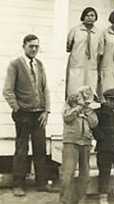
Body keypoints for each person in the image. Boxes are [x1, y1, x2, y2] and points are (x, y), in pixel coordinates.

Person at [2, 34, 50, 196]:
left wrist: (46, 111)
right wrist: (17, 109)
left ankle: (41, 183)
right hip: (23, 115)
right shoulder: (15, 65)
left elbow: (45, 89)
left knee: (40, 149)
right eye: (31, 46)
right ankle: (18, 184)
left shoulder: (40, 64)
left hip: (39, 115)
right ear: (24, 46)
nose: (34, 49)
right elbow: (7, 91)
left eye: (37, 46)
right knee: (21, 149)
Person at [60, 86, 98, 204]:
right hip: (71, 142)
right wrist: (78, 107)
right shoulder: (69, 106)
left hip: (85, 142)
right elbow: (67, 118)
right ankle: (65, 200)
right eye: (81, 96)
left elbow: (94, 123)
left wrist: (86, 111)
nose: (84, 99)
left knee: (85, 173)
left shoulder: (89, 110)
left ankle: (81, 198)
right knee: (68, 172)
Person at [65, 7, 102, 98]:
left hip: (91, 66)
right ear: (83, 17)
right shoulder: (75, 30)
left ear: (95, 18)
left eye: (92, 15)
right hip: (77, 64)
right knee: (74, 90)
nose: (90, 17)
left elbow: (100, 51)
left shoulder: (99, 33)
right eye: (87, 15)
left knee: (90, 91)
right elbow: (68, 46)